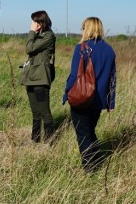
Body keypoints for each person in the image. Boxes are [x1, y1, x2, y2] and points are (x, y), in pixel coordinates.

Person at [62, 16, 116, 171]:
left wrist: (66, 93)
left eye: (83, 27)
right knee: (90, 131)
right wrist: (111, 103)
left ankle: (89, 169)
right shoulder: (109, 50)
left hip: (81, 98)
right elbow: (113, 79)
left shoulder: (81, 48)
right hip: (99, 101)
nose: (82, 30)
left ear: (88, 29)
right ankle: (98, 161)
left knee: (83, 134)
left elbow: (74, 76)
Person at [19, 10, 56, 143]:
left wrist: (31, 32)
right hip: (30, 78)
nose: (33, 24)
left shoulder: (48, 36)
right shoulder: (38, 35)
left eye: (35, 21)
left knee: (44, 111)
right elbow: (30, 47)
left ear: (41, 23)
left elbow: (29, 48)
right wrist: (34, 34)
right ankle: (35, 139)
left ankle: (49, 141)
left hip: (40, 79)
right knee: (35, 111)